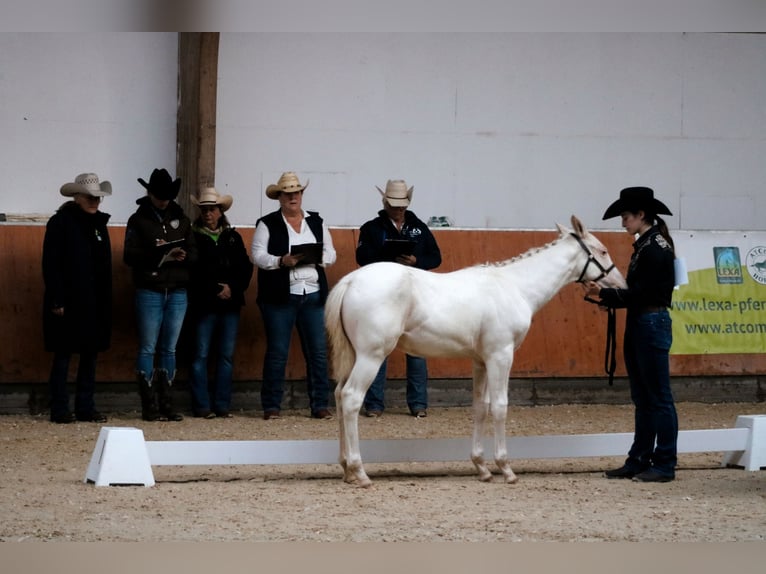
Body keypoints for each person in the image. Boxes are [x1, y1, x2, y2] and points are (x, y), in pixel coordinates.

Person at [583, 186, 678, 483]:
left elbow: (644, 293)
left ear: (640, 215)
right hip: (642, 322)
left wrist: (607, 295)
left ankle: (663, 462)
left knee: (658, 397)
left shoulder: (654, 249)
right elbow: (638, 294)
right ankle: (639, 458)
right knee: (644, 396)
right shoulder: (647, 245)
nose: (623, 222)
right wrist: (607, 297)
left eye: (626, 216)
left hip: (649, 322)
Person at [251, 172, 337, 420]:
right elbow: (257, 255)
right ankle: (272, 406)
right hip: (281, 295)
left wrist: (318, 257)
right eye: (287, 193)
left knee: (318, 353)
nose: (292, 197)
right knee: (278, 352)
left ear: (301, 195)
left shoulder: (317, 222)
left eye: (296, 192)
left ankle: (320, 404)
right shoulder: (267, 223)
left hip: (312, 293)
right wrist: (281, 261)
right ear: (279, 197)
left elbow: (331, 253)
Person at [356, 179, 442, 418]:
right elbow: (362, 257)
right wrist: (388, 255)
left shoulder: (419, 227)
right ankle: (374, 404)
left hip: (414, 292)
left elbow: (436, 257)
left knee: (416, 348)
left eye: (402, 205)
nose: (399, 209)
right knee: (379, 349)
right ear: (385, 203)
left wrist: (417, 262)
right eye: (395, 205)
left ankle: (418, 404)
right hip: (382, 294)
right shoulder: (371, 228)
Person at [124, 168, 197, 422]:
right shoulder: (138, 220)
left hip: (176, 287)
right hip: (151, 288)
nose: (164, 200)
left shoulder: (182, 218)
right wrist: (157, 254)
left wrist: (183, 255)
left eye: (167, 196)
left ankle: (165, 402)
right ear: (150, 194)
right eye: (160, 195)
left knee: (168, 348)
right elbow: (129, 255)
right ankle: (150, 405)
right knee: (149, 347)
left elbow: (194, 251)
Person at [42, 173, 113, 424]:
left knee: (89, 353)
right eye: (90, 197)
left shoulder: (99, 225)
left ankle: (85, 406)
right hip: (70, 299)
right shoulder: (60, 223)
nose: (95, 202)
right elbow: (52, 264)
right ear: (77, 197)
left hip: (93, 300)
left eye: (97, 198)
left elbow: (104, 266)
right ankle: (60, 407)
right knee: (64, 354)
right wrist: (57, 299)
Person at [187, 187, 253, 418]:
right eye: (204, 210)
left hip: (229, 303)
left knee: (225, 356)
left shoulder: (233, 237)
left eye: (211, 209)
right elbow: (193, 272)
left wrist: (232, 288)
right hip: (204, 303)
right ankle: (202, 405)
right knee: (201, 355)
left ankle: (222, 405)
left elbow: (245, 267)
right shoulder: (192, 237)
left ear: (220, 211)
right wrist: (217, 288)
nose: (208, 214)